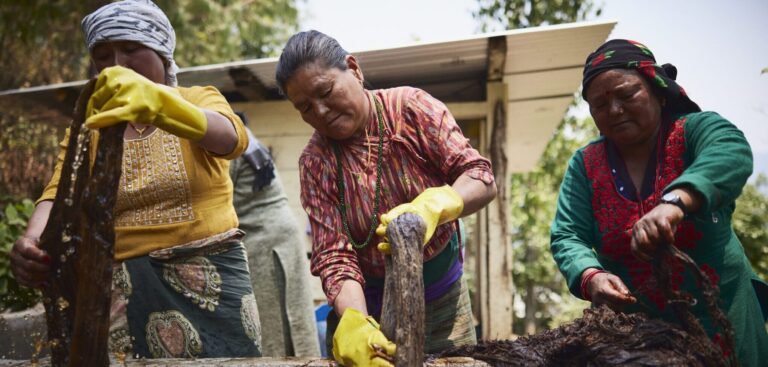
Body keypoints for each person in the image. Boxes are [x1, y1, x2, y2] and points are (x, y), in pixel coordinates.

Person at [9, 0, 262, 359]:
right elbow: (57, 193)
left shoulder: (196, 99)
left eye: (131, 50)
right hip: (118, 295)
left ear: (161, 53)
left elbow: (232, 138)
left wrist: (162, 106)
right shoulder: (92, 126)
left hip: (210, 286)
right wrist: (32, 240)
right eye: (102, 55)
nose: (117, 65)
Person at [275, 30, 497, 366]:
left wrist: (438, 203)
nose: (319, 111)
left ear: (354, 68)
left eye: (325, 91)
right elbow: (335, 256)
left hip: (442, 301)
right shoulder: (315, 163)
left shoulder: (411, 109)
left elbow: (480, 177)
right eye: (304, 107)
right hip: (366, 306)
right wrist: (358, 324)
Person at [550, 39, 768, 366]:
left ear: (659, 91)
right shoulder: (585, 165)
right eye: (599, 104)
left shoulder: (695, 130)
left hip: (723, 320)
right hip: (638, 337)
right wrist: (591, 275)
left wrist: (675, 202)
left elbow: (730, 151)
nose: (614, 110)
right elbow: (568, 235)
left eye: (627, 95)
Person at [229, 112, 320, 357]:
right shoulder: (249, 142)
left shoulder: (230, 145)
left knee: (274, 327)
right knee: (289, 315)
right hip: (280, 238)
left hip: (266, 243)